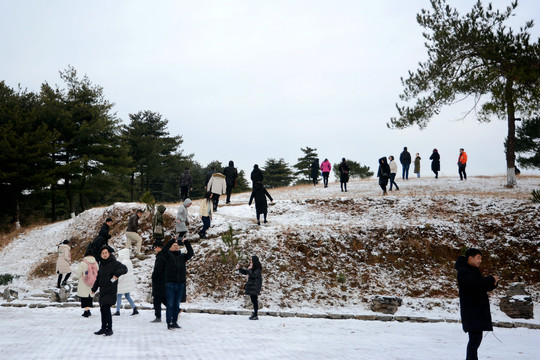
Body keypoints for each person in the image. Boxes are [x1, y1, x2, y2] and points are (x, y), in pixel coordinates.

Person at [455, 248, 499, 360]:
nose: (480, 261)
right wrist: (489, 279)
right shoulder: (463, 271)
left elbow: (480, 287)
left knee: (476, 340)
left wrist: (492, 283)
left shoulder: (473, 270)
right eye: (478, 258)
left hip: (476, 312)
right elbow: (474, 285)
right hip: (471, 312)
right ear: (470, 258)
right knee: (474, 341)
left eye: (481, 258)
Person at [91, 245, 128, 336]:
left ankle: (109, 329)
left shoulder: (114, 262)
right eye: (103, 253)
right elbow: (98, 278)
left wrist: (116, 275)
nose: (104, 255)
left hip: (111, 289)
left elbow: (124, 269)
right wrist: (94, 289)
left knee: (106, 309)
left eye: (106, 253)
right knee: (102, 309)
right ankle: (103, 328)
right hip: (103, 290)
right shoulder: (102, 264)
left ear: (109, 253)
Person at [162, 235, 194, 330]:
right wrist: (172, 240)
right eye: (174, 245)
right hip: (170, 283)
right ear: (171, 247)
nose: (176, 246)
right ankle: (169, 322)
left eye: (177, 245)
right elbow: (164, 250)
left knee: (177, 304)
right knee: (170, 303)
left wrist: (186, 242)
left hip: (180, 284)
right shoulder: (167, 256)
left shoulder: (182, 257)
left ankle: (175, 321)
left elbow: (191, 253)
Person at [236, 255, 263, 320]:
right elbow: (246, 272)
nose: (250, 262)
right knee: (253, 300)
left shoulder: (257, 269)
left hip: (255, 287)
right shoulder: (252, 268)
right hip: (252, 286)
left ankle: (256, 314)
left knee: (255, 300)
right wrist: (240, 269)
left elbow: (253, 275)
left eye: (251, 260)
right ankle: (255, 313)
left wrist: (248, 270)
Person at [114, 249, 139, 316]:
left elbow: (122, 273)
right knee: (127, 296)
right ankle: (134, 308)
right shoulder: (129, 261)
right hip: (128, 283)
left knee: (119, 296)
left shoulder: (124, 262)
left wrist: (118, 280)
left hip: (123, 283)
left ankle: (118, 311)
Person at [76, 249, 98, 317]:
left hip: (84, 282)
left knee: (84, 297)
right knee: (89, 296)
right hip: (93, 282)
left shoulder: (83, 263)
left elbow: (78, 274)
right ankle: (88, 309)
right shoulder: (95, 263)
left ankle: (86, 311)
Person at [151, 240, 167, 323]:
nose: (154, 250)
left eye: (154, 248)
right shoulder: (165, 255)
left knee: (157, 300)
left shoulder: (160, 257)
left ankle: (158, 316)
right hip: (164, 280)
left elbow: (158, 270)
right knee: (164, 299)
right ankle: (176, 309)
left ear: (157, 247)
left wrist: (153, 276)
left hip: (159, 281)